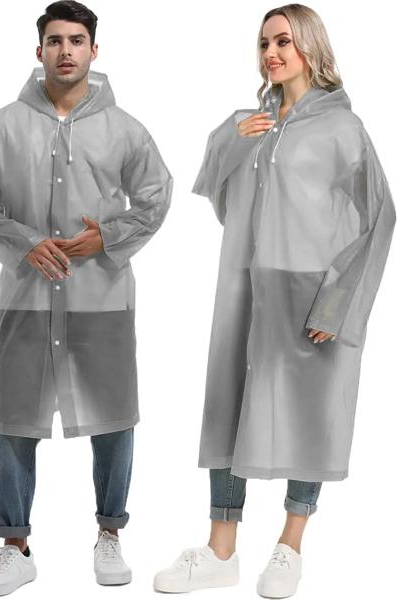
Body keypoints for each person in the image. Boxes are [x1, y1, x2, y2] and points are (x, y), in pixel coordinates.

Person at [153, 3, 395, 598]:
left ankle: (290, 545)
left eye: (284, 41)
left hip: (309, 292)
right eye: (264, 43)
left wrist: (338, 302)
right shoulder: (247, 122)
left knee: (310, 414)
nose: (272, 53)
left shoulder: (344, 128)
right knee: (228, 406)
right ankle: (220, 550)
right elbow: (219, 196)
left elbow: (379, 216)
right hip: (245, 285)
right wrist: (232, 140)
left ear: (310, 46)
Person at [0, 1, 172, 596]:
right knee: (14, 421)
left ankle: (110, 533)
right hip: (25, 298)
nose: (66, 50)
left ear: (94, 50)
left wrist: (109, 236)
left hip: (101, 297)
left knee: (115, 417)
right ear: (39, 50)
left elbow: (156, 197)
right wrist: (24, 243)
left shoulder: (126, 130)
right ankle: (14, 547)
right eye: (55, 40)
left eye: (77, 40)